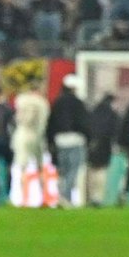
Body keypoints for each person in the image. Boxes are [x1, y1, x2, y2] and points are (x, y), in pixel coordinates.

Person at [45, 76, 89, 208]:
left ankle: (60, 196)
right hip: (75, 140)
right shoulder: (78, 103)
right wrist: (89, 138)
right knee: (73, 170)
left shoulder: (57, 103)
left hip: (59, 140)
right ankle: (65, 196)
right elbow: (84, 123)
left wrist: (50, 141)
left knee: (62, 171)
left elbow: (50, 124)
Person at [10, 81, 49, 200]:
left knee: (23, 167)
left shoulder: (20, 99)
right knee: (40, 166)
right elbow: (44, 121)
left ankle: (23, 198)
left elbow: (15, 117)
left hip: (22, 133)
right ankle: (44, 197)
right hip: (37, 134)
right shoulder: (42, 102)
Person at [86, 92, 119, 206]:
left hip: (92, 145)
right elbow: (115, 131)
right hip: (105, 146)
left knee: (91, 172)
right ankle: (98, 198)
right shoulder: (112, 114)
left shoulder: (93, 111)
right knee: (101, 172)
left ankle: (90, 197)